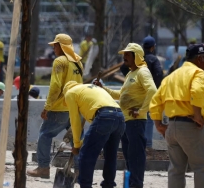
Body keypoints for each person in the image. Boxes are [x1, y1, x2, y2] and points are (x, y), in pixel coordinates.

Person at [149, 43, 204, 188]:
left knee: (176, 170)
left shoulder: (171, 77)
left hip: (172, 128)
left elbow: (155, 101)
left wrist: (158, 124)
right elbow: (196, 91)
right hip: (190, 126)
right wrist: (198, 115)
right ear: (200, 59)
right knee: (202, 166)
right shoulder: (198, 73)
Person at [95, 43, 156, 188]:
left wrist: (141, 111)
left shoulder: (142, 72)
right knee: (130, 157)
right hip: (126, 122)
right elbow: (121, 95)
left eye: (128, 54)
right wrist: (103, 88)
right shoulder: (130, 73)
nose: (124, 57)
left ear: (137, 57)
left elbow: (153, 90)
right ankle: (133, 184)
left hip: (136, 121)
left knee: (136, 156)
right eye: (124, 54)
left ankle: (136, 185)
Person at [28, 33, 84, 178]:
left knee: (45, 135)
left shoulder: (60, 61)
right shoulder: (78, 62)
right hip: (75, 107)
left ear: (61, 46)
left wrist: (47, 106)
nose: (53, 48)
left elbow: (55, 86)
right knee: (76, 140)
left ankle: (43, 168)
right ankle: (80, 171)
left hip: (60, 108)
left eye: (55, 45)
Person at [64, 80, 125, 188]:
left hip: (104, 116)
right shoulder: (89, 89)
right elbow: (95, 132)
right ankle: (108, 184)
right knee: (110, 155)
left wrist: (77, 145)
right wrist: (82, 142)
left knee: (86, 154)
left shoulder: (70, 93)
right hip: (120, 116)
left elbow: (75, 121)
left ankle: (85, 185)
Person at [142, 35, 163, 149]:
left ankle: (139, 144)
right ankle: (148, 144)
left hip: (139, 92)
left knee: (138, 117)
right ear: (153, 47)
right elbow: (159, 73)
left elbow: (124, 68)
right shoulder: (153, 59)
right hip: (150, 92)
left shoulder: (138, 59)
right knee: (149, 118)